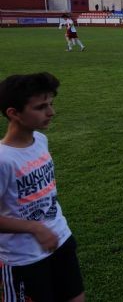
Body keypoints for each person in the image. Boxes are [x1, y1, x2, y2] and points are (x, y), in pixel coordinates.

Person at [0, 72, 85, 302]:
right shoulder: (3, 159)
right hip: (25, 258)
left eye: (51, 104)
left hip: (61, 239)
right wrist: (35, 228)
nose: (51, 112)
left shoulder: (40, 140)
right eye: (40, 107)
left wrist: (52, 228)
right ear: (13, 113)